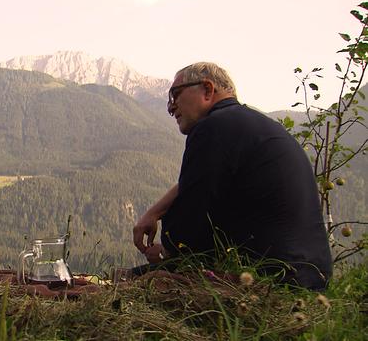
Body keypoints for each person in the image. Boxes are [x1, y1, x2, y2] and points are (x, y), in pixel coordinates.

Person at [132, 62, 332, 290]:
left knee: (129, 282)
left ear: (207, 90)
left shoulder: (212, 128)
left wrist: (165, 250)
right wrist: (155, 211)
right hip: (310, 278)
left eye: (175, 94)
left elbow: (186, 230)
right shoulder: (252, 126)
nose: (170, 107)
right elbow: (198, 182)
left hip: (269, 283)